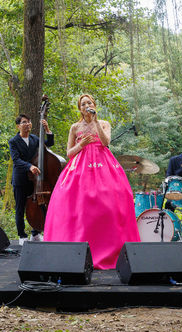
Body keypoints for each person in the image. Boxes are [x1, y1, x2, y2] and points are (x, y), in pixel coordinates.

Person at [44, 94, 140, 269]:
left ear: (94, 105)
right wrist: (81, 145)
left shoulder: (103, 124)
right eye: (83, 104)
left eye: (89, 103)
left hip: (103, 162)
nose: (86, 105)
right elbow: (69, 152)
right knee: (76, 202)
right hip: (80, 165)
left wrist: (95, 122)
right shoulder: (74, 127)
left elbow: (106, 142)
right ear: (80, 108)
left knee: (111, 199)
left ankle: (113, 249)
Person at [9, 114, 54, 243]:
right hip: (21, 179)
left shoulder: (35, 138)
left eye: (29, 122)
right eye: (24, 122)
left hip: (34, 180)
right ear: (18, 126)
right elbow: (16, 160)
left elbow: (49, 144)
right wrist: (29, 166)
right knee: (20, 208)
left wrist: (47, 131)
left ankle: (35, 233)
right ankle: (22, 236)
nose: (27, 124)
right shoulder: (13, 141)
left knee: (37, 206)